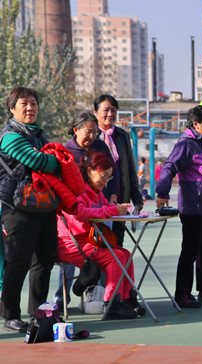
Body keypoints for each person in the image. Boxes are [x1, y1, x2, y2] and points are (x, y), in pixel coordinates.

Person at [0, 87, 61, 333]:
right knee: (18, 261)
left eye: (33, 103)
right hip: (17, 207)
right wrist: (58, 160)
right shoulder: (10, 136)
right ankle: (10, 314)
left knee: (44, 261)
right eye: (24, 103)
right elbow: (40, 161)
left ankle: (38, 312)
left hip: (43, 205)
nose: (30, 108)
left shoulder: (39, 135)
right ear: (12, 108)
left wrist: (55, 160)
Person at [56, 150, 142, 319]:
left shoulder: (97, 192)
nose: (106, 181)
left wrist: (120, 210)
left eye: (109, 177)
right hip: (72, 244)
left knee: (125, 254)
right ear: (90, 171)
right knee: (114, 257)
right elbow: (80, 213)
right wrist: (111, 209)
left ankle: (126, 299)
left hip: (88, 242)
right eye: (103, 175)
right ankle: (112, 303)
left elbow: (104, 209)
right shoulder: (78, 190)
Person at [155, 105, 202, 308]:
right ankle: (183, 293)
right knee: (190, 250)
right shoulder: (186, 145)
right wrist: (162, 193)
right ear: (196, 124)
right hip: (193, 207)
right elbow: (169, 167)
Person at [55, 110, 121, 310]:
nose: (92, 136)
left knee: (102, 248)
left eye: (95, 132)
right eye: (88, 131)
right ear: (75, 130)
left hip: (97, 205)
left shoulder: (99, 146)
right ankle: (61, 298)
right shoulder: (65, 152)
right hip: (72, 214)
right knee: (71, 256)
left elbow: (113, 171)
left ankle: (96, 293)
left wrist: (113, 197)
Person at [94, 94, 144, 245]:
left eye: (113, 110)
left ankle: (116, 269)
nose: (110, 114)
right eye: (106, 110)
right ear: (95, 112)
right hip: (98, 200)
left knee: (117, 242)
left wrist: (137, 198)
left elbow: (129, 168)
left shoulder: (122, 136)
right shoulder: (91, 134)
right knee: (97, 244)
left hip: (120, 199)